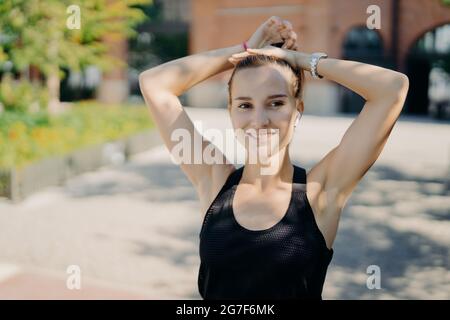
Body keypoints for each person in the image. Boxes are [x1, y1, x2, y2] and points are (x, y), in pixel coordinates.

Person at [139, 16, 409, 299]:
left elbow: (391, 89)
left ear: (298, 110)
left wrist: (300, 59)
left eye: (276, 103)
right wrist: (244, 49)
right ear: (230, 111)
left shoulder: (321, 191)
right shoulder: (214, 180)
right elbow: (154, 84)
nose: (259, 120)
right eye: (244, 105)